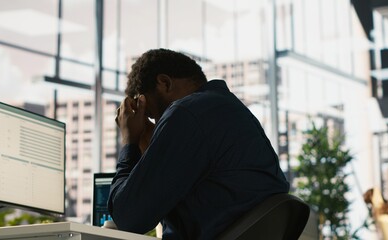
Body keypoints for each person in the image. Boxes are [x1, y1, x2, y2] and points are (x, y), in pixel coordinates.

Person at [108, 48, 290, 239]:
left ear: (165, 83)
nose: (156, 125)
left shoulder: (185, 112)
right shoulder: (230, 110)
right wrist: (152, 154)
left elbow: (127, 218)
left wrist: (130, 141)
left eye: (151, 115)